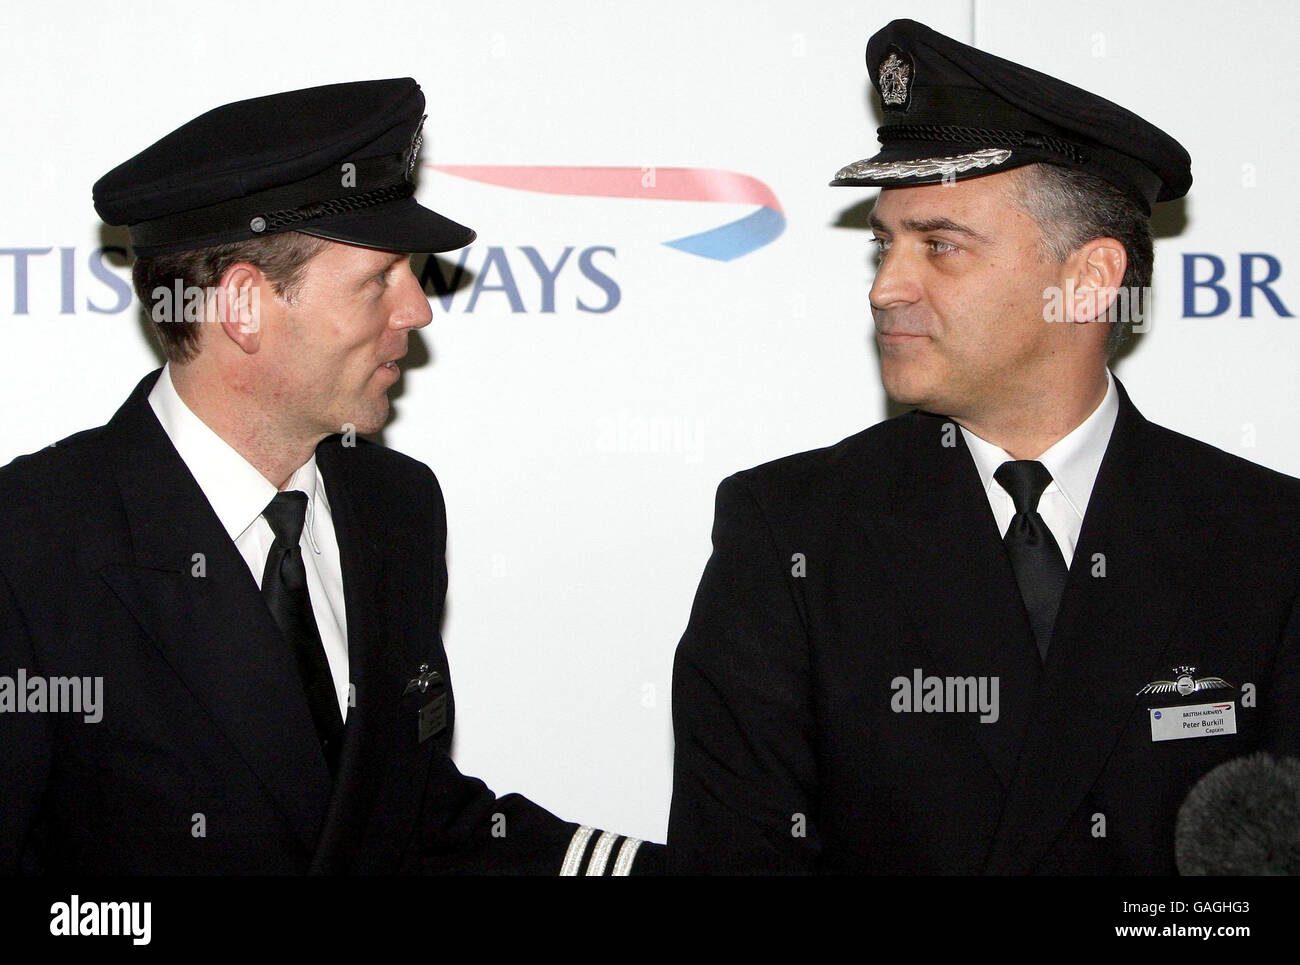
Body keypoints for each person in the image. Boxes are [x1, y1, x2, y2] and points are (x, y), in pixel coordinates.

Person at [667, 19, 1300, 874]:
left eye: (941, 246)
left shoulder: (1265, 538)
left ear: (1088, 280)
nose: (887, 287)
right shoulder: (791, 533)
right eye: (884, 247)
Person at [0, 78, 656, 875]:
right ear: (244, 306)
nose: (417, 309)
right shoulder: (32, 548)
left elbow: (412, 816)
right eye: (381, 278)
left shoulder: (395, 508)